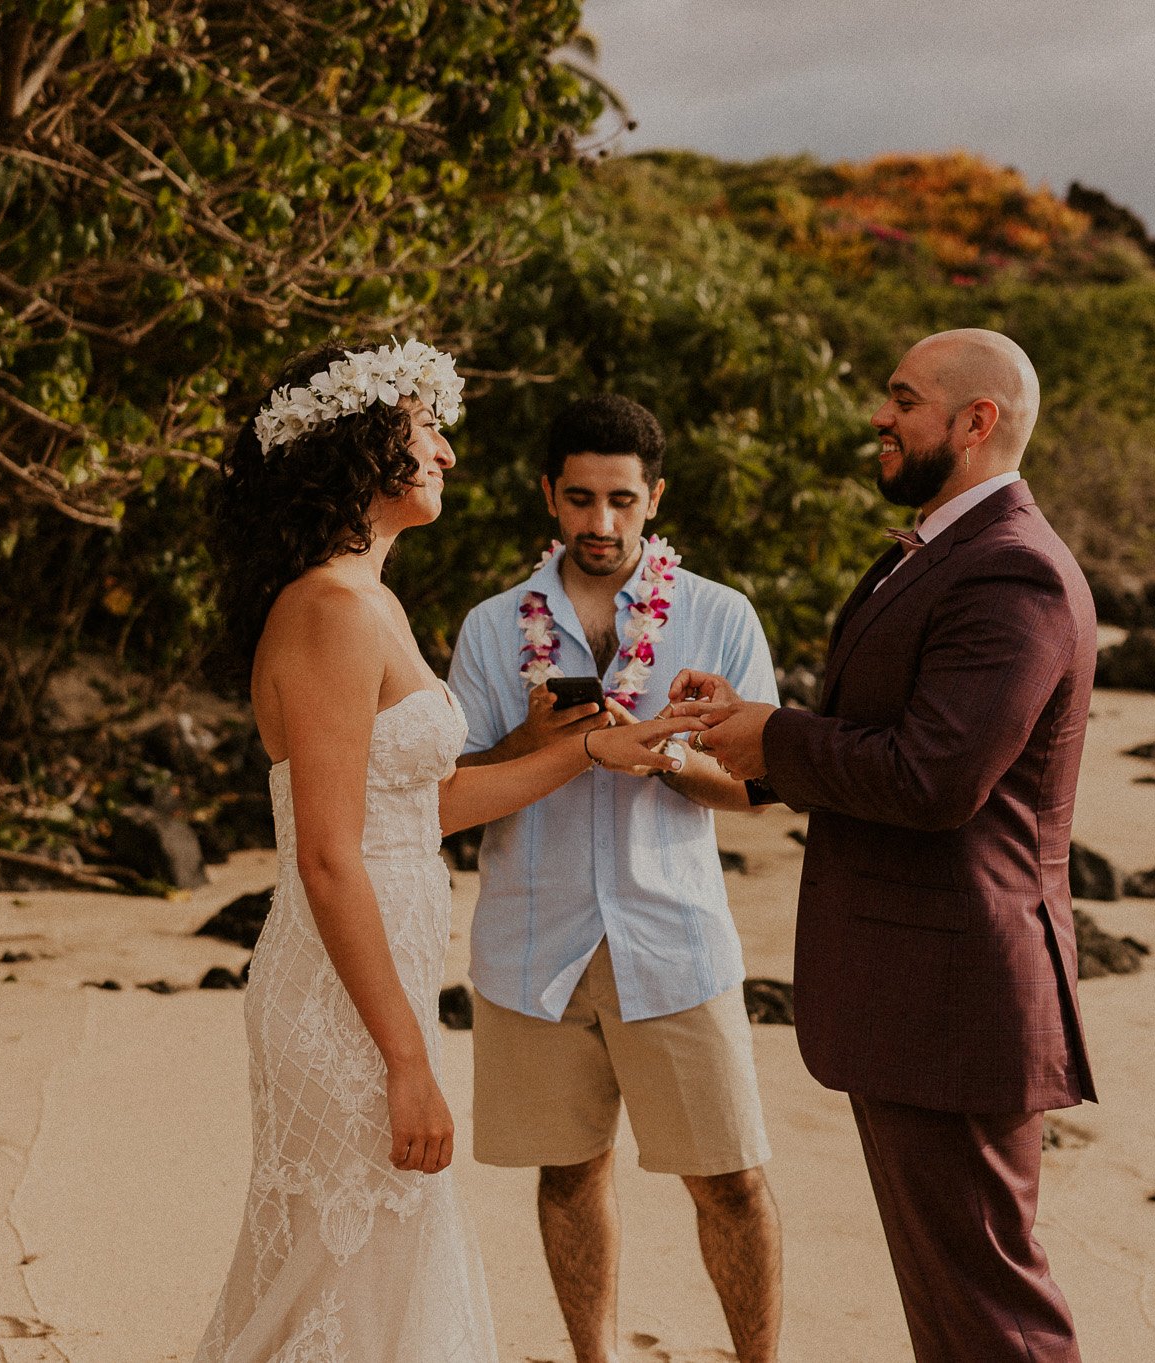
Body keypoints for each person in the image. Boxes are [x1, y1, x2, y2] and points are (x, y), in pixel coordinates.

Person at [194, 343, 700, 1363]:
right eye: (424, 427)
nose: (446, 452)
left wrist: (589, 748)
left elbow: (420, 807)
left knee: (359, 1273)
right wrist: (407, 1062)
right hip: (345, 995)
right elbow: (329, 858)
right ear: (355, 443)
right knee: (354, 1273)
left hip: (368, 977)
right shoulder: (332, 610)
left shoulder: (362, 600)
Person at [669, 329, 1096, 1363]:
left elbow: (932, 777)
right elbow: (887, 735)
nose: (879, 415)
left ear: (974, 421)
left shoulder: (1013, 572)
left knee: (992, 1309)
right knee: (954, 1307)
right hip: (917, 989)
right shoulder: (942, 548)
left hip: (958, 991)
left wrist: (773, 735)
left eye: (901, 398)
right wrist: (759, 734)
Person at [445, 393, 784, 1363]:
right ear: (547, 496)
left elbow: (763, 786)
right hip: (531, 945)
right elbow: (457, 783)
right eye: (581, 499)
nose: (601, 524)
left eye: (622, 501)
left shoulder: (718, 615)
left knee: (730, 1178)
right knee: (566, 1172)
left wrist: (668, 759)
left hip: (672, 941)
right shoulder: (491, 627)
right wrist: (543, 739)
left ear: (654, 498)